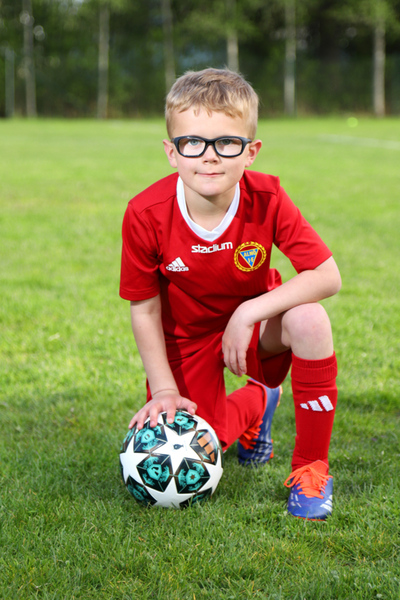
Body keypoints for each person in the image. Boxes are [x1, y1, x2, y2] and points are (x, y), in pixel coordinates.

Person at [119, 68, 341, 520]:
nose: (209, 156)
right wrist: (164, 389)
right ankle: (259, 402)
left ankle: (312, 469)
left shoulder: (268, 197)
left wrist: (247, 314)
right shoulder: (145, 213)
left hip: (254, 325)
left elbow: (326, 275)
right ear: (171, 152)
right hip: (185, 337)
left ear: (250, 152)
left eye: (227, 143)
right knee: (200, 446)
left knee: (310, 319)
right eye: (192, 143)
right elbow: (144, 309)